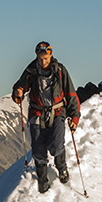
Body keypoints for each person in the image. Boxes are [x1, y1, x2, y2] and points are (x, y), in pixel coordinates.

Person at [12, 41, 80, 193]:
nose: (43, 62)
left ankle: (62, 168)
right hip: (37, 112)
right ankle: (42, 177)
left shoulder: (60, 70)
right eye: (41, 58)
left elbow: (70, 93)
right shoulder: (30, 71)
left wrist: (74, 117)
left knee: (56, 144)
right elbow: (20, 86)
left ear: (51, 55)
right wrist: (18, 92)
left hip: (57, 112)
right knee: (38, 149)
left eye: (46, 58)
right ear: (37, 56)